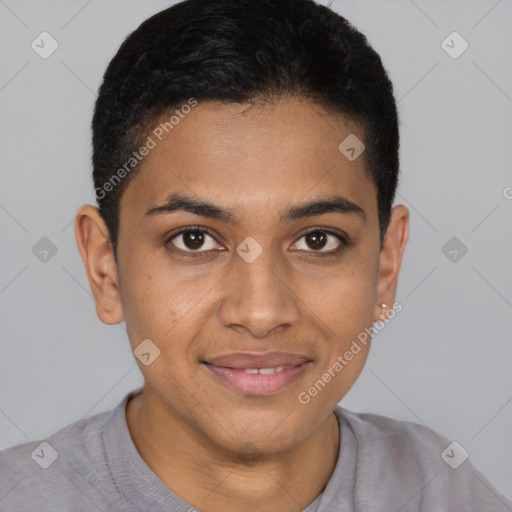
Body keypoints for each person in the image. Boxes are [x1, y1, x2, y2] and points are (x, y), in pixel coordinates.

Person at [1, 0, 510, 511]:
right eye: (194, 239)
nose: (261, 312)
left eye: (317, 240)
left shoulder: (444, 492)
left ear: (385, 266)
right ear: (104, 267)